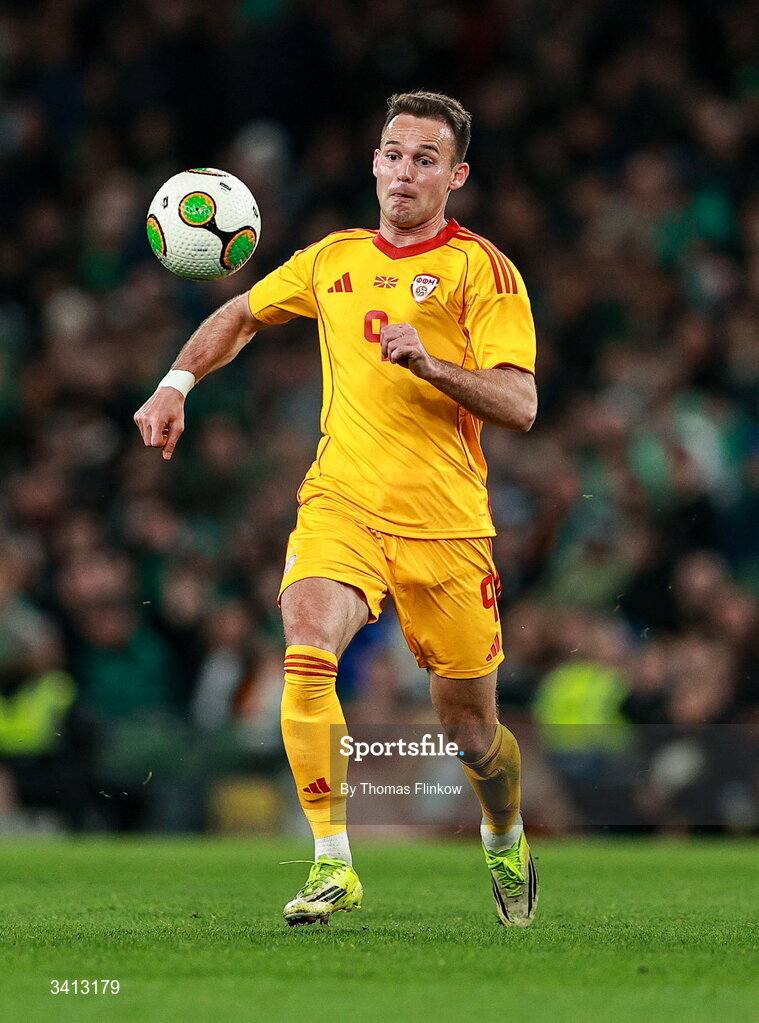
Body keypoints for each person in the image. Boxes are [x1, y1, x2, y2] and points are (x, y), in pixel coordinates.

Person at [134, 91, 539, 927]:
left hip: (447, 526)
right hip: (340, 503)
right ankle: (331, 862)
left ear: (455, 175)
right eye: (393, 153)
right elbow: (243, 313)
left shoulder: (484, 271)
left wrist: (430, 365)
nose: (404, 170)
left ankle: (504, 834)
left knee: (472, 734)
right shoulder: (332, 258)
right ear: (374, 162)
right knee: (306, 645)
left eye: (425, 158)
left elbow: (521, 402)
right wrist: (177, 382)